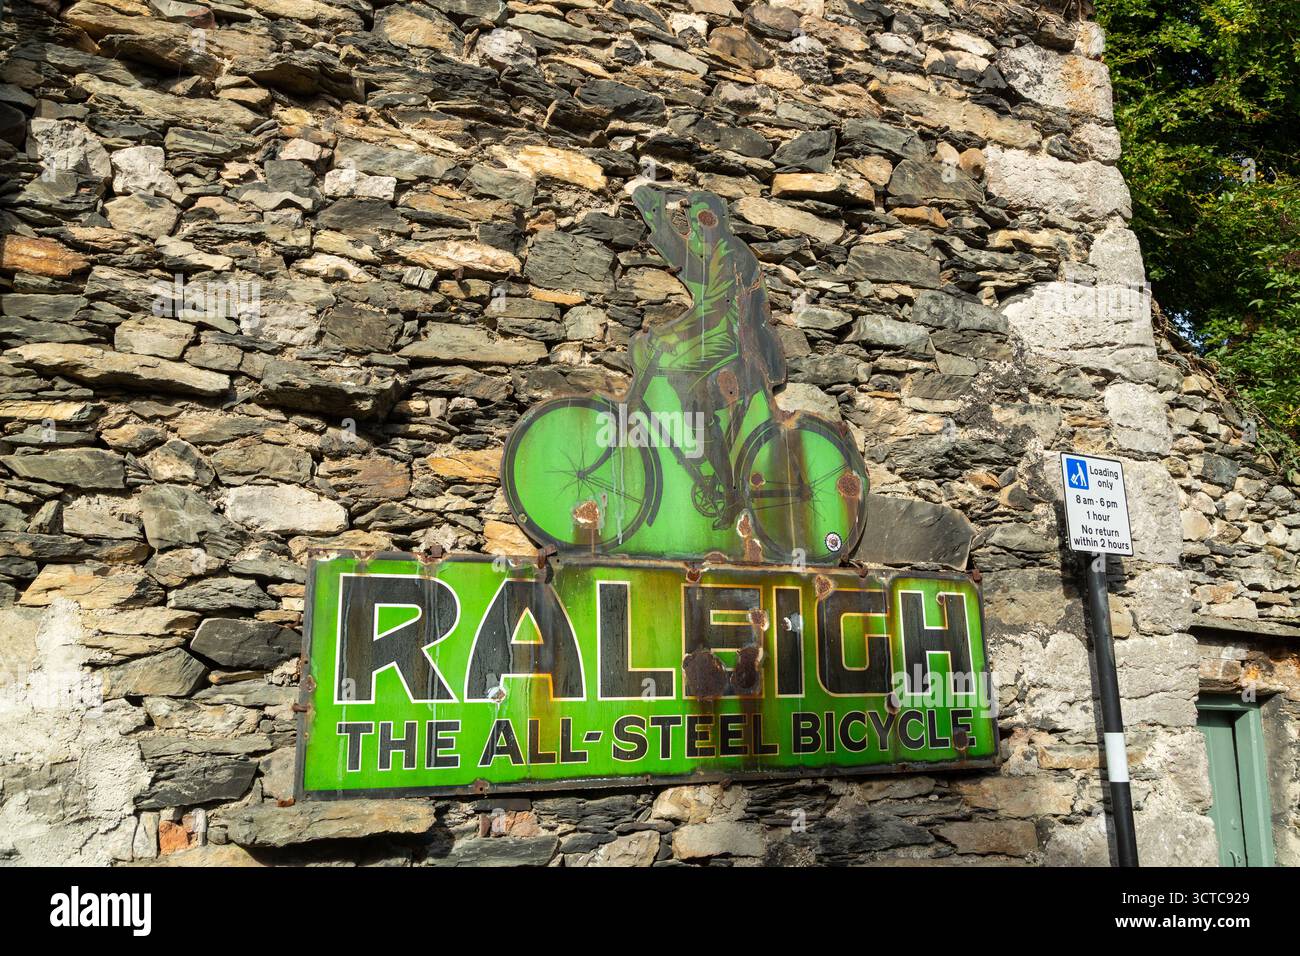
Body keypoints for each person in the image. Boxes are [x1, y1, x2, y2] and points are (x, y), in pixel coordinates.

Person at [629, 186, 788, 528]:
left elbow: (715, 309)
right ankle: (705, 444)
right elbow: (689, 269)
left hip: (742, 347)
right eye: (694, 221)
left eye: (703, 220)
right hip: (723, 341)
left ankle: (731, 496)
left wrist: (669, 334)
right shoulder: (712, 249)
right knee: (677, 379)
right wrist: (657, 219)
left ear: (718, 220)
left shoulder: (729, 251)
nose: (698, 229)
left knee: (696, 394)